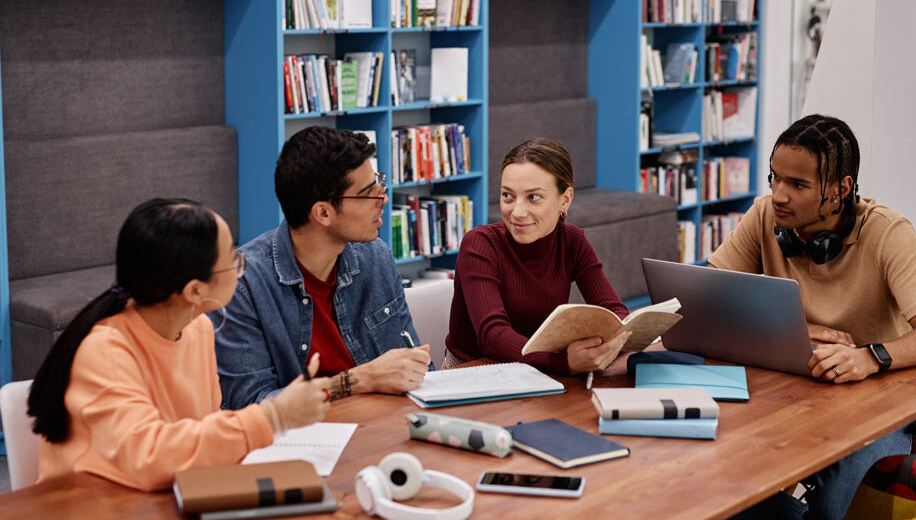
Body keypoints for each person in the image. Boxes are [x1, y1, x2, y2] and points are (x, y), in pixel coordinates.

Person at [711, 114, 916, 520]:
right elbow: (713, 298)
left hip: (874, 401)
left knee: (837, 507)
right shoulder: (764, 216)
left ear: (841, 189)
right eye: (774, 178)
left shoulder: (888, 232)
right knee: (724, 484)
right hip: (788, 388)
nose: (778, 195)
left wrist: (868, 357)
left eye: (797, 184)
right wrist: (802, 331)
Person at [28, 198, 333, 491]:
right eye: (233, 260)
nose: (243, 265)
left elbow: (200, 436)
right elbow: (151, 457)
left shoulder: (197, 329)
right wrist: (273, 417)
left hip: (165, 496)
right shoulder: (105, 350)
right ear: (195, 290)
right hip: (94, 504)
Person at [212, 127, 430, 410]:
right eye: (368, 193)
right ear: (323, 213)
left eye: (379, 182)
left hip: (382, 426)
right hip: (298, 442)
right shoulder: (242, 284)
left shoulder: (375, 257)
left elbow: (414, 364)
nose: (383, 199)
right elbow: (249, 405)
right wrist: (356, 381)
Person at [444, 138, 631, 375]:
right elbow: (492, 336)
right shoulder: (480, 244)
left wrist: (617, 338)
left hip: (539, 370)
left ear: (565, 199)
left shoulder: (573, 242)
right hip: (473, 371)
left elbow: (613, 309)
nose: (518, 212)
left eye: (533, 197)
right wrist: (564, 362)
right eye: (508, 196)